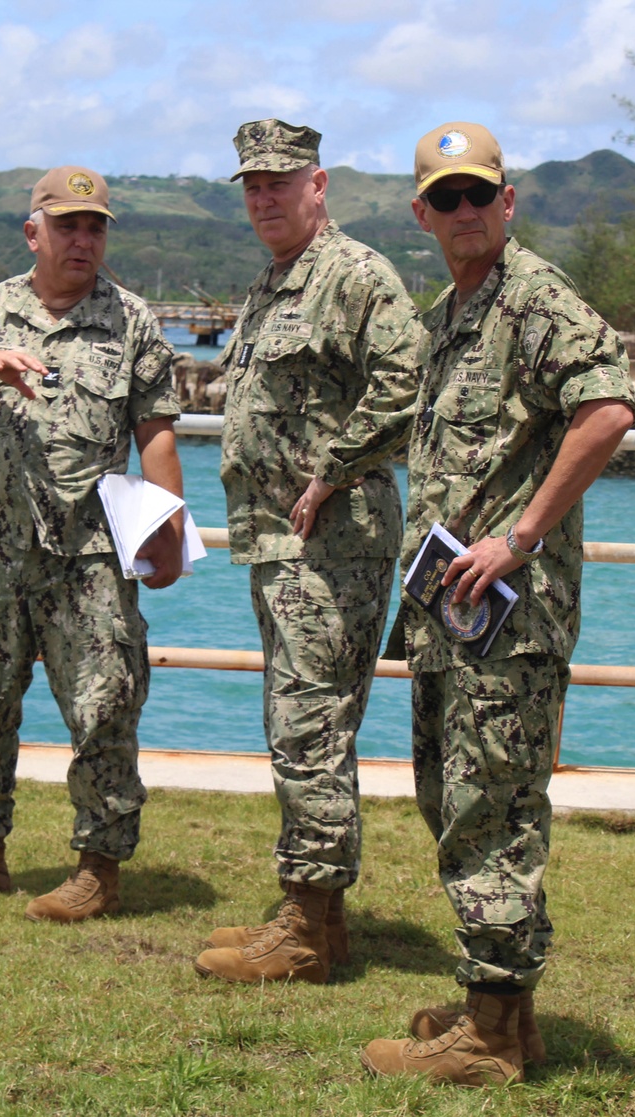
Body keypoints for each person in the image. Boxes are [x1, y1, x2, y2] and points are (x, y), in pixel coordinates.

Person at [360, 123, 635, 1083]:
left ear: (508, 201)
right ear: (422, 215)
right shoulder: (447, 317)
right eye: (447, 198)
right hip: (455, 619)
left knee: (490, 811)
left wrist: (518, 535)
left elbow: (606, 408)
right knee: (457, 801)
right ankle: (505, 1013)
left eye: (481, 194)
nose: (465, 211)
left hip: (509, 619)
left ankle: (484, 1037)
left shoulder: (533, 299)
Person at [0, 165, 184, 924]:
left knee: (104, 706)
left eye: (96, 227)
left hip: (89, 553)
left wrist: (167, 533)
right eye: (68, 226)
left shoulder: (131, 321)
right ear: (35, 232)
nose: (83, 239)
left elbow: (155, 430)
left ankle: (98, 866)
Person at [192, 120, 423, 984]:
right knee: (299, 723)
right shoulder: (274, 284)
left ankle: (307, 923)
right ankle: (317, 916)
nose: (263, 199)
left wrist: (331, 472)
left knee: (309, 725)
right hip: (277, 544)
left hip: (335, 544)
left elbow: (406, 385)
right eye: (251, 185)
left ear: (318, 184)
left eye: (278, 184)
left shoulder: (358, 276)